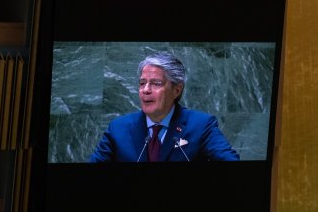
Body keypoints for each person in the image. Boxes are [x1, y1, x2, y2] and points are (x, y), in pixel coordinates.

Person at [90, 52, 239, 162]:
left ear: (177, 90)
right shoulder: (118, 128)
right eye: (142, 83)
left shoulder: (202, 126)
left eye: (156, 83)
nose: (146, 90)